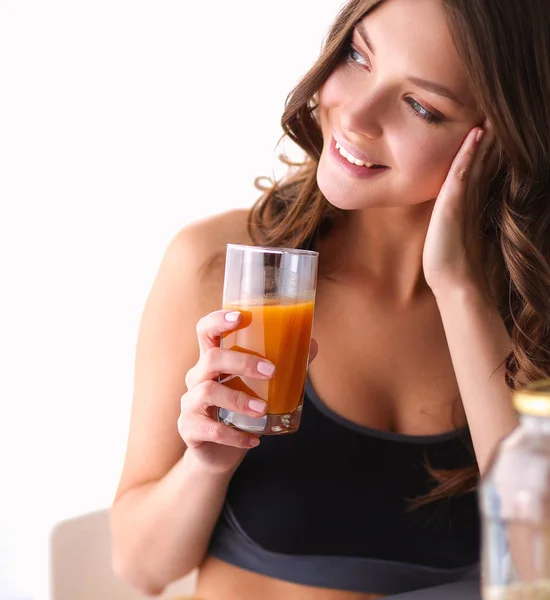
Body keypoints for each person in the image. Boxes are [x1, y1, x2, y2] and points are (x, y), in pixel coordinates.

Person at [109, 0, 550, 598]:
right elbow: (140, 568)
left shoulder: (526, 308)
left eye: (421, 106)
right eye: (356, 54)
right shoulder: (216, 264)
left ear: (500, 135)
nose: (357, 116)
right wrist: (207, 464)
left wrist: (459, 286)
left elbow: (537, 560)